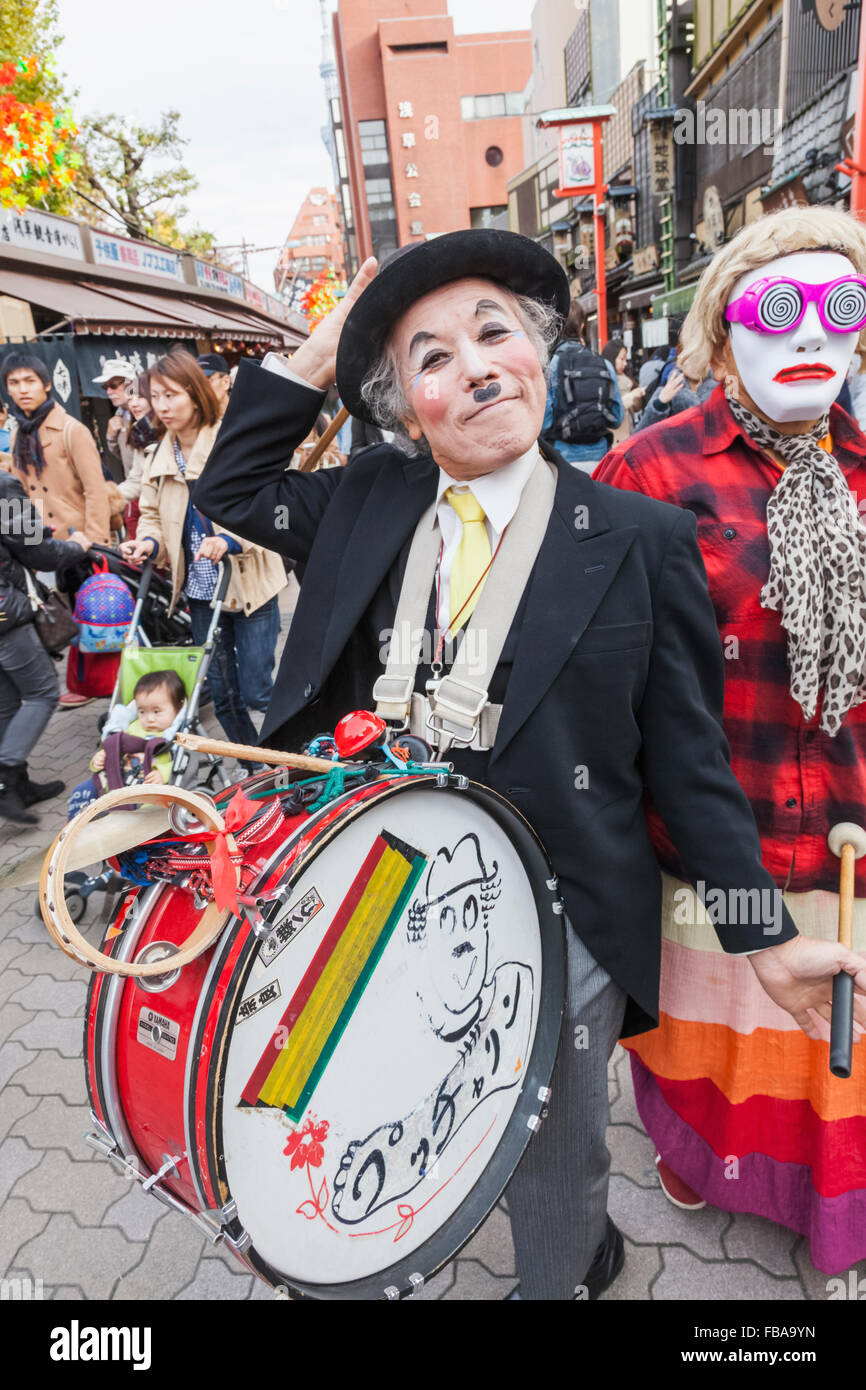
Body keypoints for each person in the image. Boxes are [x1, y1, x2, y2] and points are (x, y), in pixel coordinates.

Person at [193, 227, 866, 1300]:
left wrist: (768, 945)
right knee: (373, 1078)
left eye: (493, 332)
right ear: (404, 403)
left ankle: (564, 1272)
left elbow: (690, 767)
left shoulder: (641, 537)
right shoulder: (367, 498)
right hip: (379, 882)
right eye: (430, 356)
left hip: (566, 903)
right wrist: (325, 345)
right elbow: (230, 487)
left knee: (551, 1132)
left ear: (542, 356)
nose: (473, 365)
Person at [596, 205, 866, 1275]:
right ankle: (698, 1162)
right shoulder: (647, 477)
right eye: (776, 308)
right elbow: (627, 706)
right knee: (714, 1044)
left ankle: (824, 1202)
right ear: (718, 337)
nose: (810, 335)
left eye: (839, 309)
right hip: (717, 854)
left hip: (845, 830)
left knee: (830, 1060)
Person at [119, 350, 286, 759]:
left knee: (256, 689)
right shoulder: (160, 451)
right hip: (199, 590)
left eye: (171, 395)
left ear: (196, 394)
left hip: (247, 583)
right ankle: (256, 761)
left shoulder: (230, 438)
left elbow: (267, 499)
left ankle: (291, 747)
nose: (162, 405)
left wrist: (229, 540)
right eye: (155, 396)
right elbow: (152, 513)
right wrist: (149, 542)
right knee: (223, 694)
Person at [2, 353, 112, 709]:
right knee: (60, 617)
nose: (23, 390)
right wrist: (27, 549)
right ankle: (79, 682)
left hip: (81, 543)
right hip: (43, 545)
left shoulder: (71, 429)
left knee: (98, 619)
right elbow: (17, 495)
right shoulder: (18, 432)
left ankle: (106, 685)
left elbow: (96, 490)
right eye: (14, 383)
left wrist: (97, 543)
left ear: (46, 384)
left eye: (29, 381)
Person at [0, 470, 90, 823]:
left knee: (6, 701)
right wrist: (77, 546)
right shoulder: (2, 485)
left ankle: (18, 784)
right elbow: (39, 552)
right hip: (6, 615)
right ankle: (6, 779)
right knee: (42, 693)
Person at [67, 667, 186, 818]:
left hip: (146, 784)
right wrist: (99, 758)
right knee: (81, 790)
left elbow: (182, 762)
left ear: (178, 707)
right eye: (142, 711)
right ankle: (76, 827)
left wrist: (163, 773)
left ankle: (129, 828)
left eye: (157, 711)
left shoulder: (173, 735)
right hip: (116, 777)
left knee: (148, 807)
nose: (149, 719)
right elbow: (114, 748)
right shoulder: (133, 728)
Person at [541, 298, 623, 471]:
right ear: (582, 328)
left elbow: (544, 422)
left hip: (562, 459)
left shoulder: (552, 366)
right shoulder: (604, 364)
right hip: (600, 458)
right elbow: (617, 418)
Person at [116, 372, 162, 538]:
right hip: (156, 518)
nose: (134, 404)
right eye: (130, 398)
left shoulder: (171, 429)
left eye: (140, 397)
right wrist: (105, 498)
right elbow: (136, 480)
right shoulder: (139, 433)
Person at [92, 357, 137, 479]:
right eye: (105, 387)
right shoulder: (122, 414)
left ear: (131, 384)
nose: (109, 392)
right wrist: (111, 438)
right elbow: (126, 458)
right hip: (135, 489)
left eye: (113, 386)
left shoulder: (149, 409)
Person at [601, 337, 644, 442]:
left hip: (629, 435)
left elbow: (636, 409)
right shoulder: (603, 381)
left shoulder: (627, 381)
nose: (625, 363)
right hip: (615, 439)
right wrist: (632, 396)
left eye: (626, 359)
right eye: (622, 359)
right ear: (611, 357)